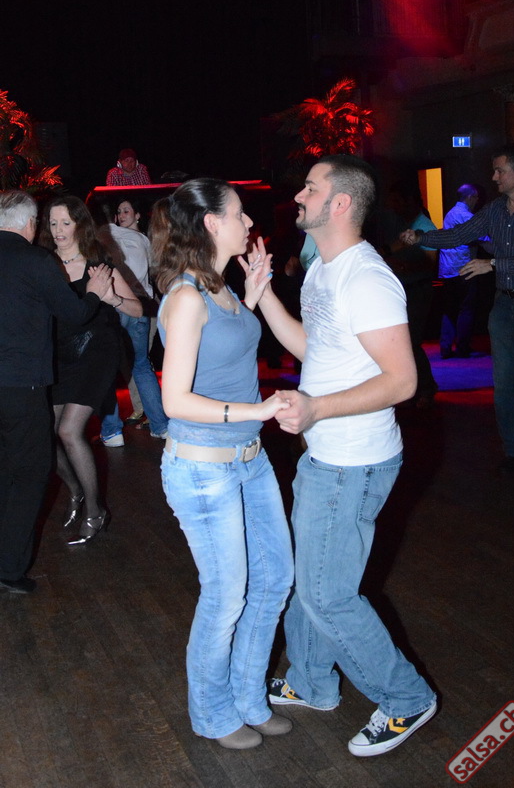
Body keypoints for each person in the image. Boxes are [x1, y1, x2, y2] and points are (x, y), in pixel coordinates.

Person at [243, 155, 437, 757]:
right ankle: (311, 680)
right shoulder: (324, 271)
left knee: (328, 594)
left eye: (311, 187)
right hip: (326, 455)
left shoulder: (368, 280)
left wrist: (318, 409)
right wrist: (264, 297)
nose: (299, 195)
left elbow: (403, 381)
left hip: (355, 463)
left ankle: (406, 697)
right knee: (312, 578)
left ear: (341, 203)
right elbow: (316, 349)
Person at [151, 179, 294, 750]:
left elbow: (224, 353)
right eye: (239, 213)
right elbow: (174, 400)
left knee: (274, 578)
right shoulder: (186, 295)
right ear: (211, 223)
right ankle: (212, 714)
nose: (248, 222)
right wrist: (256, 410)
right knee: (226, 594)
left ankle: (248, 698)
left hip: (249, 461)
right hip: (203, 468)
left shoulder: (221, 286)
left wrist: (254, 295)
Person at [0, 190, 112, 593]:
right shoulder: (35, 260)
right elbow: (75, 313)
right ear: (31, 224)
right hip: (22, 385)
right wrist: (94, 291)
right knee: (29, 474)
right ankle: (10, 568)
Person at [401, 145, 514, 471]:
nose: (494, 177)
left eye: (500, 170)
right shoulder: (495, 210)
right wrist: (421, 238)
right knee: (504, 385)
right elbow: (459, 234)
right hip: (505, 305)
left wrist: (494, 264)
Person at [39, 197, 142, 544]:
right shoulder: (44, 265)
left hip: (97, 350)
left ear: (80, 224)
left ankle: (95, 511)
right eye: (53, 223)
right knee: (44, 434)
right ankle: (76, 489)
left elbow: (139, 309)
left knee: (70, 431)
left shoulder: (98, 263)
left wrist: (112, 298)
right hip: (60, 354)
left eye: (65, 223)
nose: (58, 230)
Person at [97, 198, 167, 445]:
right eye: (119, 211)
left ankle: (113, 430)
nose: (122, 214)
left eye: (127, 210)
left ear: (137, 215)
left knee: (115, 366)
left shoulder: (107, 237)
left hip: (124, 306)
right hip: (133, 306)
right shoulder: (137, 239)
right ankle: (158, 424)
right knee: (139, 365)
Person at [386, 180, 439, 408]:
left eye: (397, 201)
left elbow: (431, 264)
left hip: (418, 290)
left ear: (410, 201)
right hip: (404, 290)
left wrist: (403, 267)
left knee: (411, 342)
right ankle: (415, 389)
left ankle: (425, 388)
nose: (393, 206)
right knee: (404, 342)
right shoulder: (401, 223)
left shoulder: (424, 226)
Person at [439, 184, 487, 359]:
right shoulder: (465, 215)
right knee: (466, 308)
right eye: (476, 198)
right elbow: (482, 236)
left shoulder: (450, 213)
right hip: (463, 268)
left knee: (449, 309)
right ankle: (463, 347)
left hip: (447, 269)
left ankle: (445, 347)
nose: (477, 201)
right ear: (470, 197)